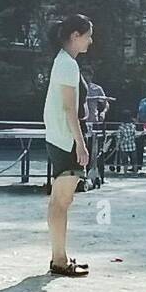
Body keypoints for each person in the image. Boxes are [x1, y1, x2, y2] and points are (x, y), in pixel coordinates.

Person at [43, 14, 94, 276]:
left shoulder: (63, 62)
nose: (90, 41)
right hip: (65, 139)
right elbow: (69, 109)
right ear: (75, 36)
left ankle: (59, 256)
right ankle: (59, 260)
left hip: (58, 136)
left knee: (59, 201)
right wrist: (81, 144)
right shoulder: (68, 65)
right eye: (87, 36)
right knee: (61, 202)